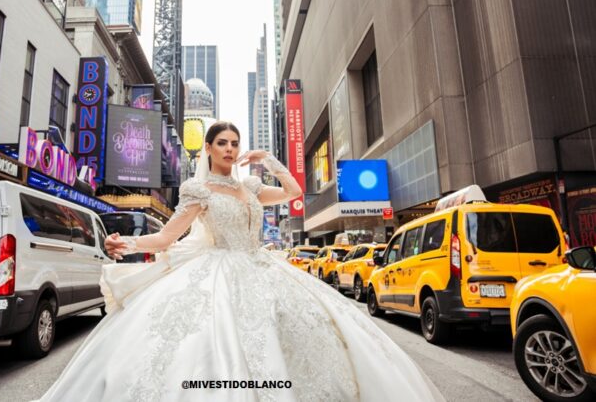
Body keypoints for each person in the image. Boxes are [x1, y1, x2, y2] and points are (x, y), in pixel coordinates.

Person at [39, 121, 442, 401]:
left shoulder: (250, 186)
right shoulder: (198, 190)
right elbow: (166, 237)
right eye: (223, 143)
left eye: (235, 143)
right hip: (217, 271)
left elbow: (293, 191)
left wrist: (268, 159)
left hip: (262, 267)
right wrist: (125, 242)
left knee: (304, 331)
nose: (230, 149)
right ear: (209, 149)